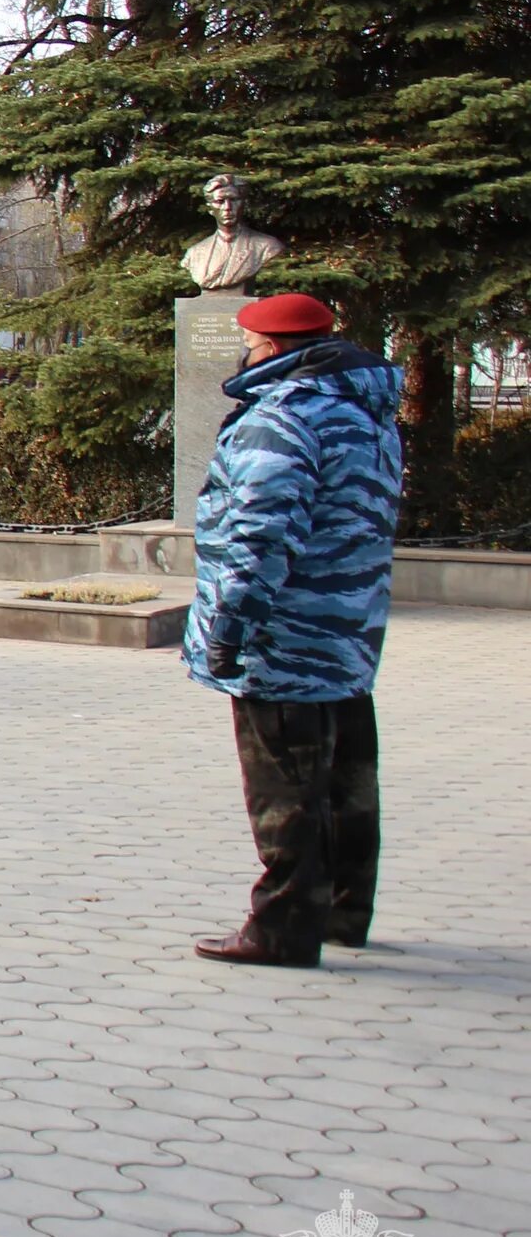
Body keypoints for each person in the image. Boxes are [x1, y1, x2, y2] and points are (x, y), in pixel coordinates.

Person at [184, 292, 404, 967]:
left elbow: (261, 534)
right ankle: (342, 911)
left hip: (284, 637)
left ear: (273, 349)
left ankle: (281, 928)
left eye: (249, 343)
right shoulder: (365, 413)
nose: (244, 353)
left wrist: (231, 625)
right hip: (347, 630)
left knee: (286, 788)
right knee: (346, 781)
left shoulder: (282, 418)